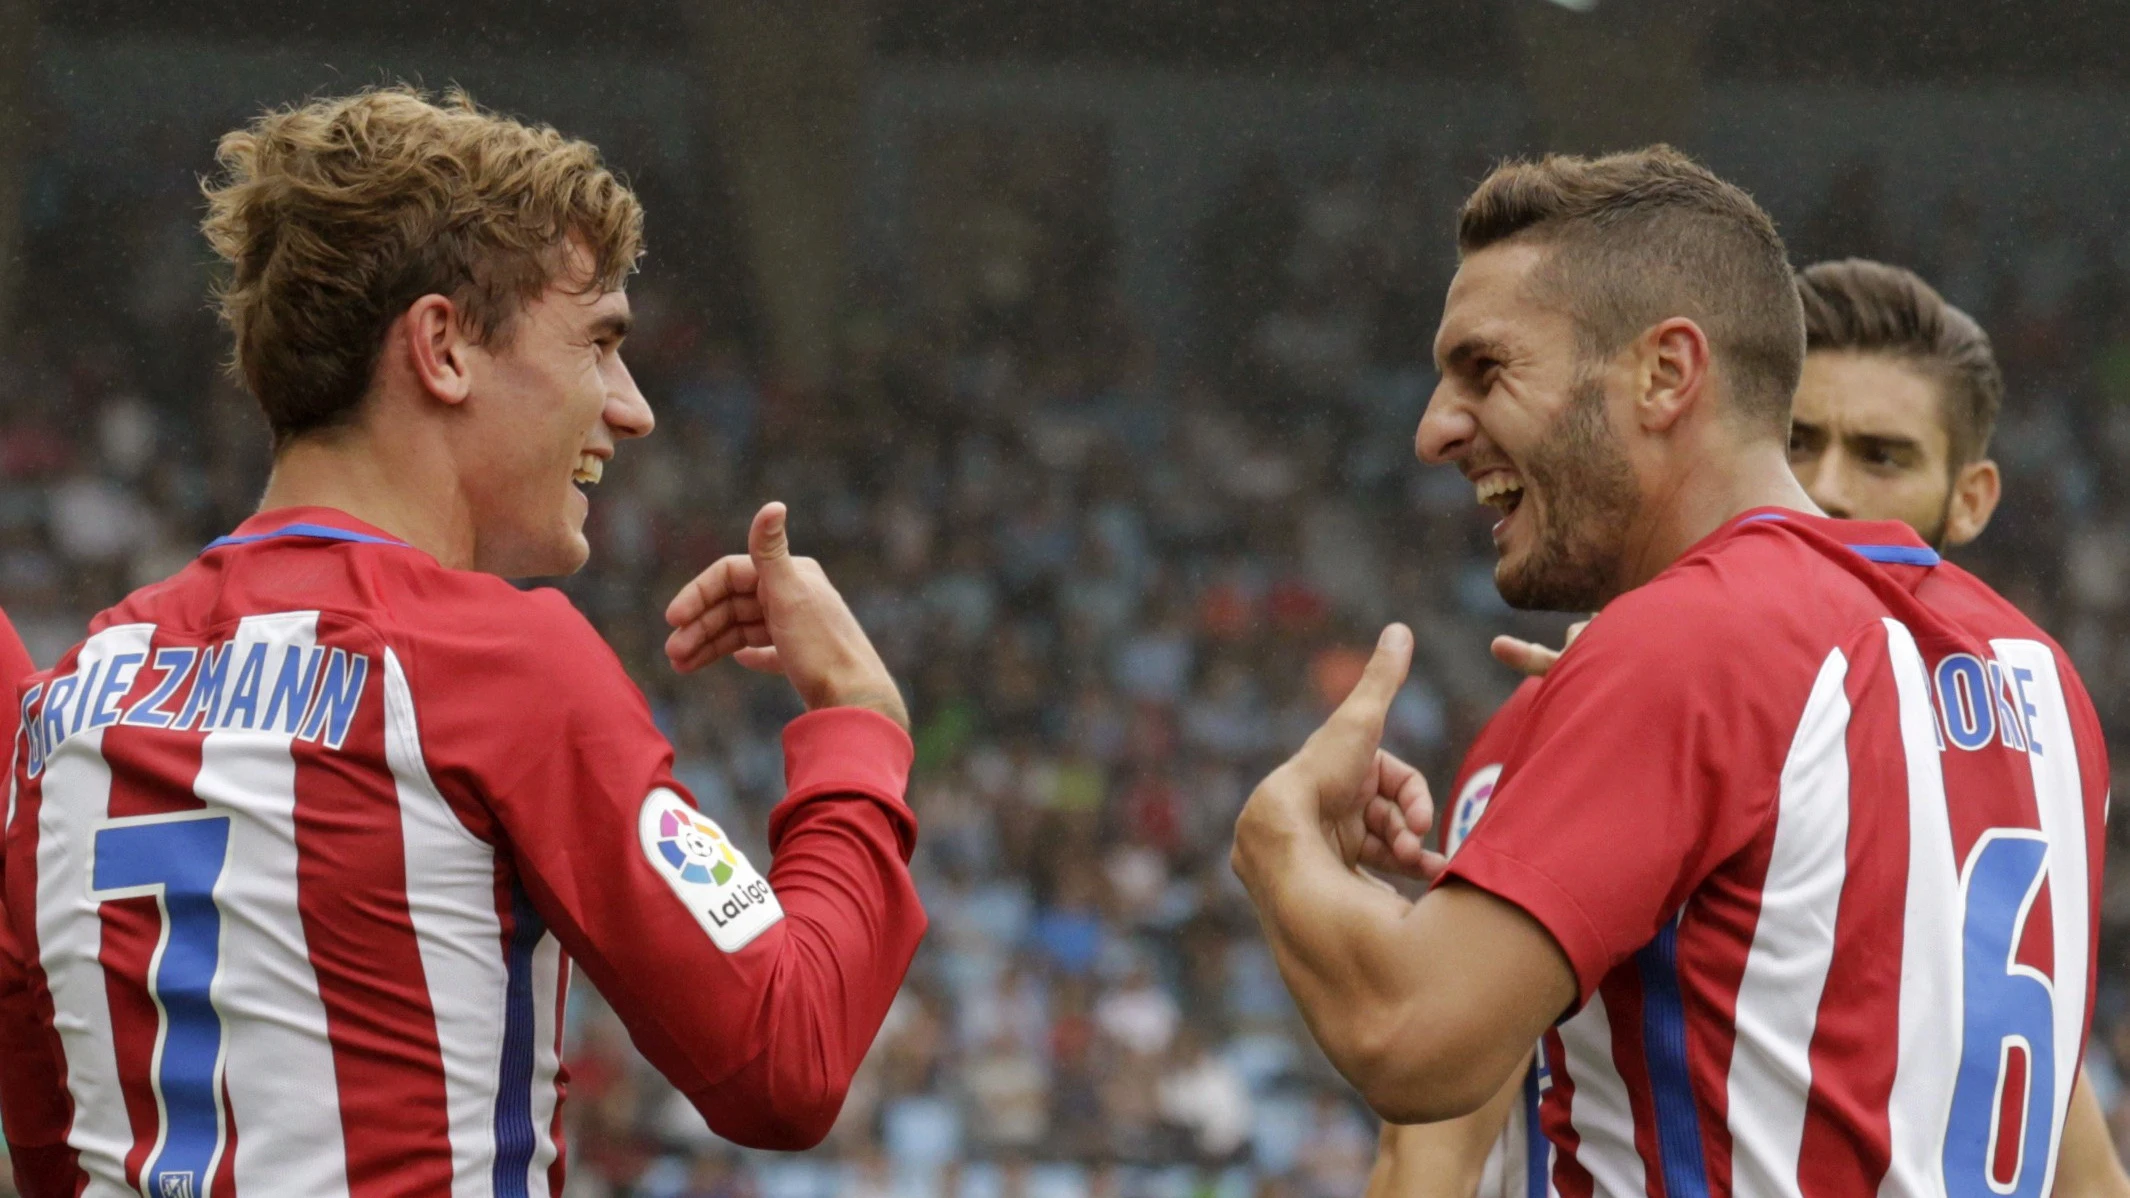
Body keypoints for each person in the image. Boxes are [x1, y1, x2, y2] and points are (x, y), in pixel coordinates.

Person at [0, 88, 926, 1197]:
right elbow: (784, 1055)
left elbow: (51, 1138)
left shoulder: (67, 701)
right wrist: (858, 728)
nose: (631, 408)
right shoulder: (495, 664)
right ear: (441, 347)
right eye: (599, 344)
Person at [1231, 147, 2108, 1197]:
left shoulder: (1695, 642)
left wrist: (1277, 835)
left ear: (1664, 372)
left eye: (1487, 368)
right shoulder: (2040, 678)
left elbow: (1413, 1037)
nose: (1434, 430)